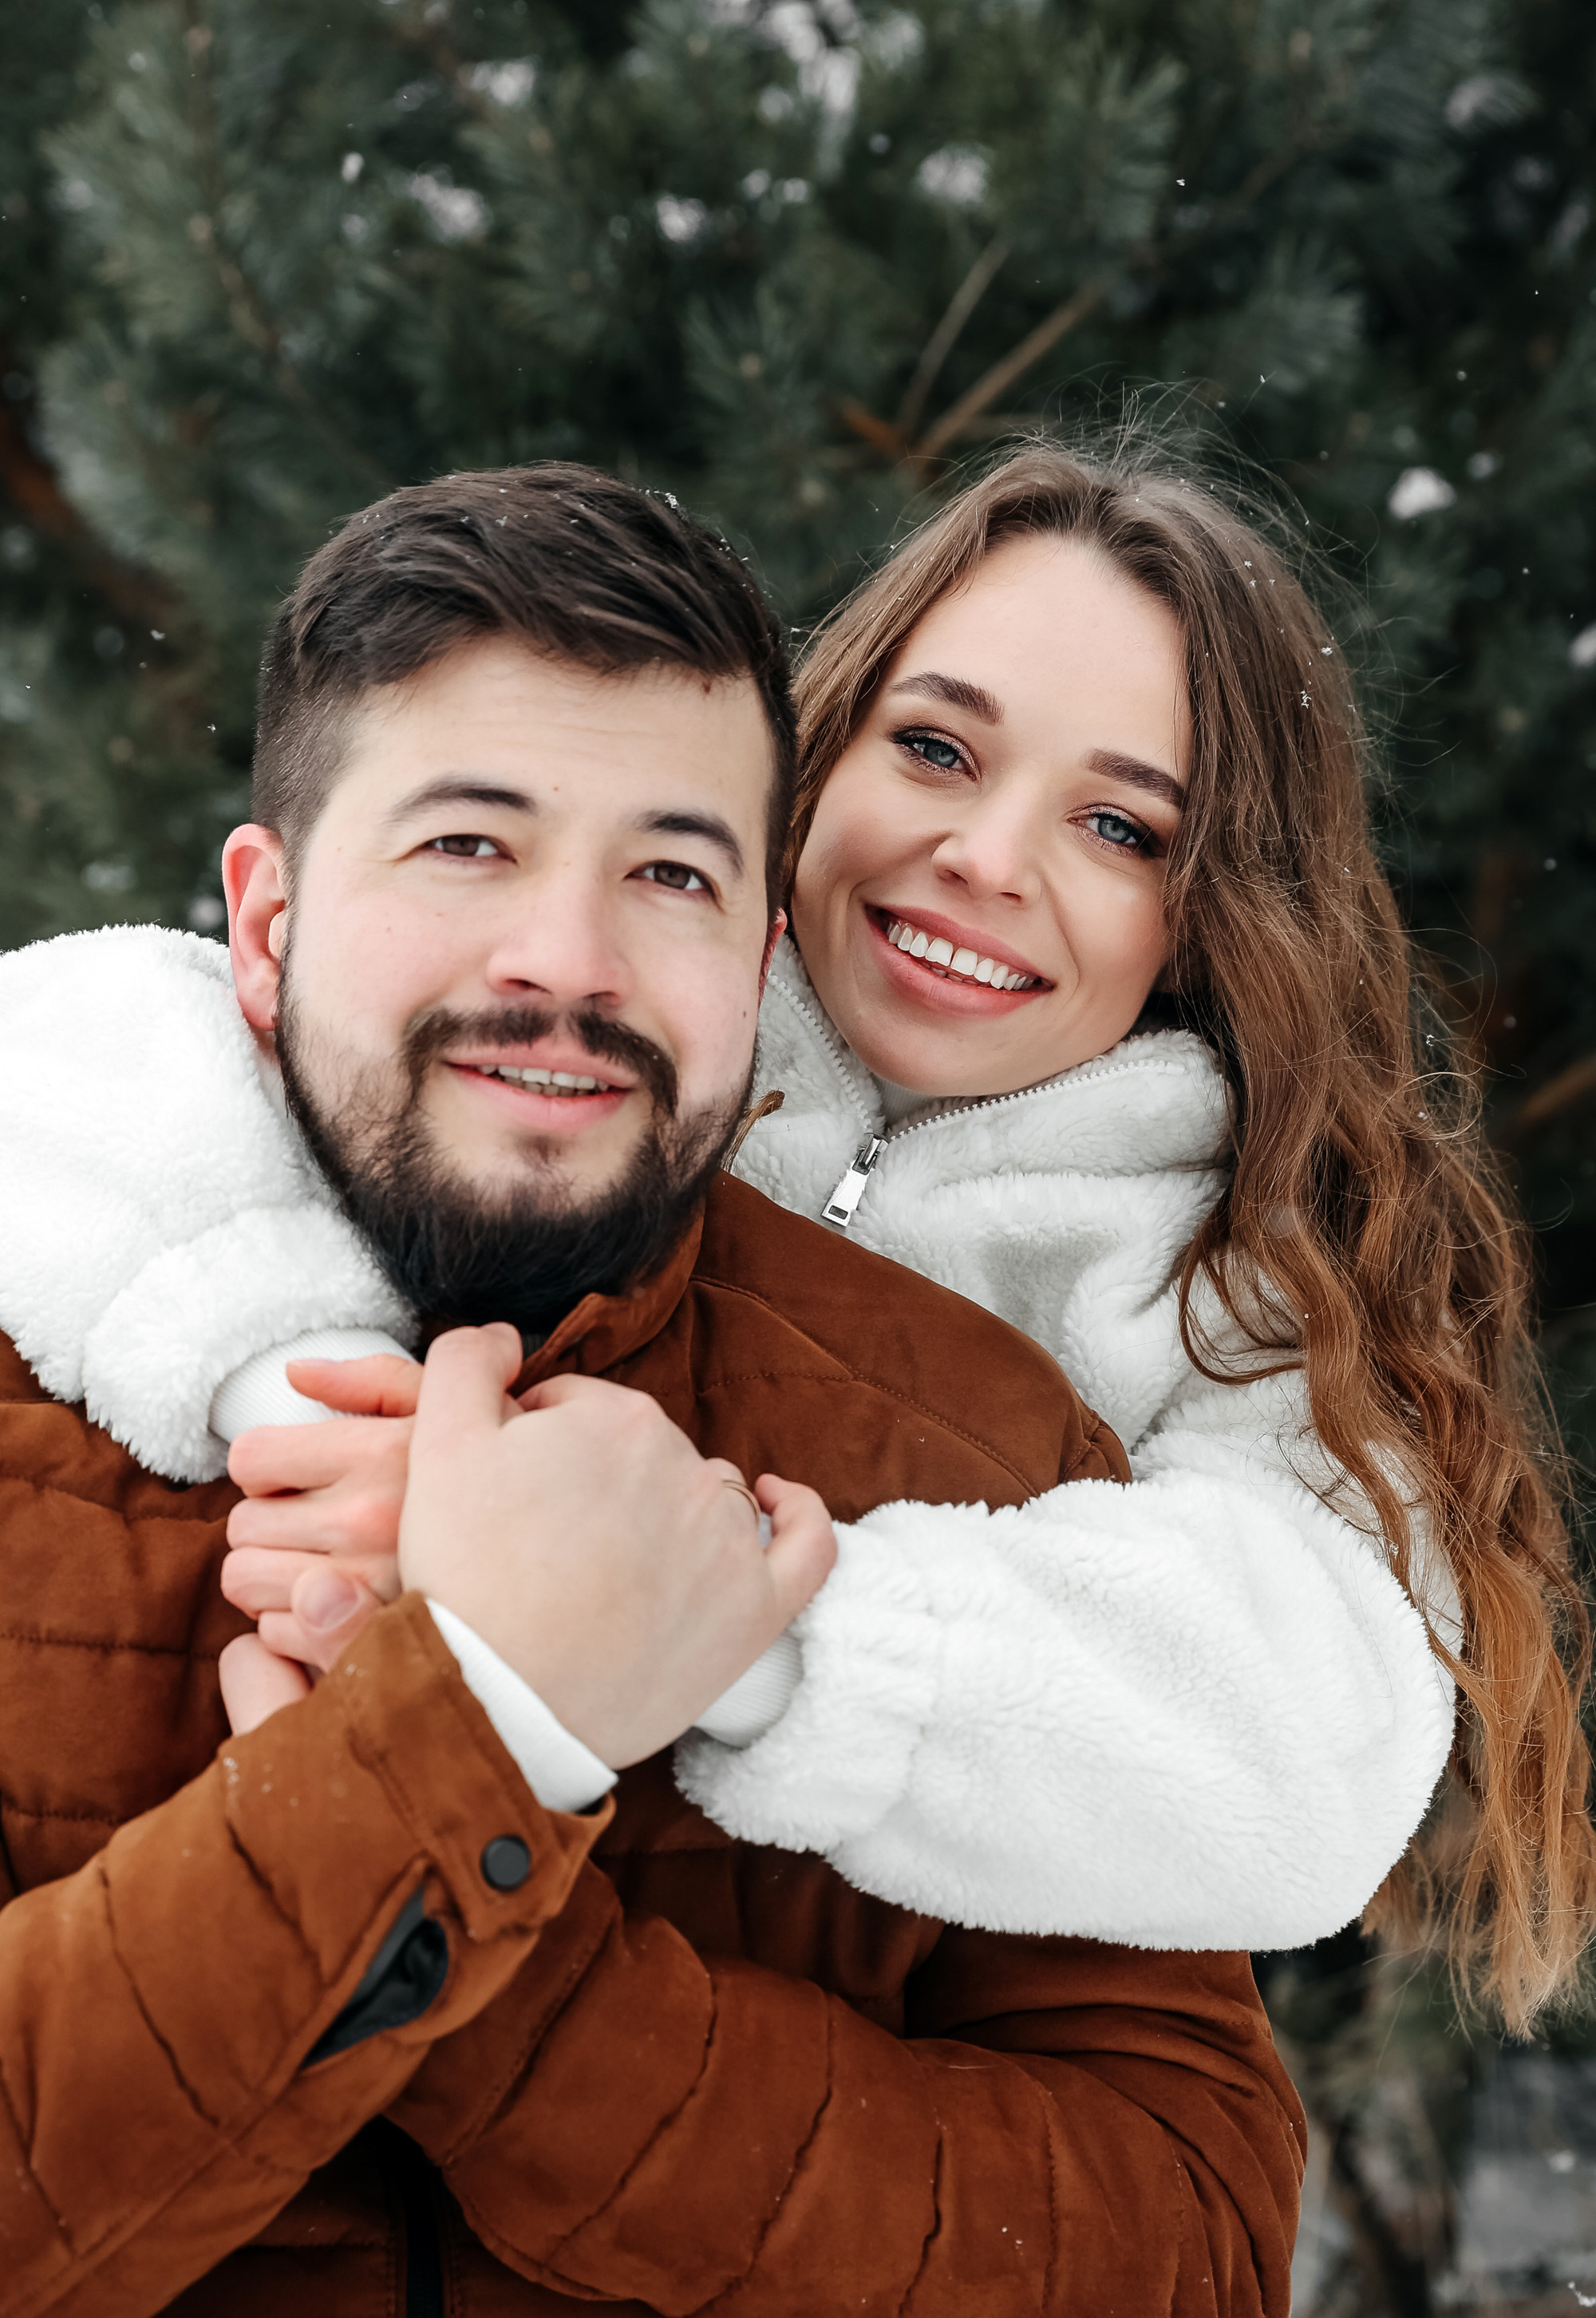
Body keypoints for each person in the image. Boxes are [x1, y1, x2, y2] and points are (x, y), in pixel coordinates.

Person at [10, 441, 1588, 2027]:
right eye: (937, 749)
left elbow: (1308, 1747)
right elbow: (85, 1036)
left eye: (1120, 828)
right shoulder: (598, 1034)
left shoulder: (1227, 1285)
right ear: (820, 756)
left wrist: (711, 1615)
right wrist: (320, 1404)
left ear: (1208, 909)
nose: (986, 859)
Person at [0, 462, 1304, 2316]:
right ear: (268, 924)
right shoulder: (25, 1362)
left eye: (672, 873)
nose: (567, 961)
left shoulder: (978, 1442)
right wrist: (488, 1744)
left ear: (758, 952)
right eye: (470, 845)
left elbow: (1188, 2246)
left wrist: (497, 1908)